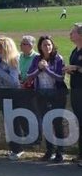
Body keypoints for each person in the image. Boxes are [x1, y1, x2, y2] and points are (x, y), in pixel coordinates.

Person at [27, 35, 67, 163]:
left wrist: (47, 69)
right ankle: (49, 150)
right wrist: (39, 69)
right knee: (46, 123)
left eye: (49, 44)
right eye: (44, 45)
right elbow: (29, 76)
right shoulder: (37, 59)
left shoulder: (58, 59)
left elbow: (60, 78)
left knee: (57, 123)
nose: (47, 47)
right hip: (41, 95)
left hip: (57, 96)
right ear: (40, 47)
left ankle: (60, 152)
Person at [0, 37, 24, 160]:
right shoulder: (0, 59)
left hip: (11, 94)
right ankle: (13, 147)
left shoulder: (13, 60)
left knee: (13, 121)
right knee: (8, 122)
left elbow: (14, 81)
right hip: (1, 93)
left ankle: (18, 148)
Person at [64, 23, 82, 165]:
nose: (70, 34)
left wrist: (76, 67)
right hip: (76, 91)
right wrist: (71, 70)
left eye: (73, 32)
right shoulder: (75, 51)